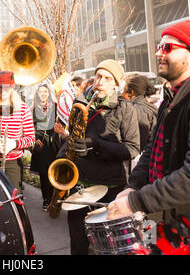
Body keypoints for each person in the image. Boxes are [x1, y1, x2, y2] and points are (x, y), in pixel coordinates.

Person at [108, 20, 190, 231]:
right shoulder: (172, 98)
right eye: (158, 47)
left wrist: (136, 202)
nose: (158, 53)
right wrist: (133, 186)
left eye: (167, 47)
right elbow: (152, 150)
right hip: (165, 219)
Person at [58, 59, 140, 255]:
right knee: (78, 245)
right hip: (80, 188)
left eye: (107, 78)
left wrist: (96, 146)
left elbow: (132, 148)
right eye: (98, 76)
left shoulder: (125, 109)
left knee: (108, 248)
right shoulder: (80, 102)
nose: (100, 81)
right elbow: (72, 138)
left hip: (110, 188)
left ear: (116, 83)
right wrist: (60, 162)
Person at [0, 71, 35, 191]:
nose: (2, 90)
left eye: (6, 87)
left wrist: (14, 143)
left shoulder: (24, 109)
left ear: (12, 86)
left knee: (15, 199)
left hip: (13, 161)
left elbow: (31, 139)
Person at [30, 83, 60, 211]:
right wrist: (35, 138)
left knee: (54, 172)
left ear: (49, 94)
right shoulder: (33, 109)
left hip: (53, 144)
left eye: (45, 92)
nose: (43, 94)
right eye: (41, 91)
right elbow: (30, 126)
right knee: (43, 174)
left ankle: (55, 198)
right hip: (41, 146)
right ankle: (46, 199)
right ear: (37, 93)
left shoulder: (55, 107)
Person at [121, 74, 157, 153]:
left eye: (122, 90)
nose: (121, 94)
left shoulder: (137, 110)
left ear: (131, 92)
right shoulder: (147, 106)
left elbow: (140, 142)